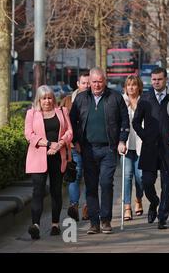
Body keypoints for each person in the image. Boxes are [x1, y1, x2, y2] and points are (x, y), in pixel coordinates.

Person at [70, 67, 129, 234]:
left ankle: (105, 220)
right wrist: (75, 141)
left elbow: (125, 120)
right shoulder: (81, 98)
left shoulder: (115, 97)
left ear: (105, 80)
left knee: (106, 183)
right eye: (93, 82)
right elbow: (71, 121)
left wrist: (122, 141)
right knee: (91, 186)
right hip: (87, 149)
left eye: (99, 81)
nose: (96, 85)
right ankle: (94, 223)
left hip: (109, 149)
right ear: (89, 81)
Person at [24, 85, 73, 239]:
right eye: (44, 98)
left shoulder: (62, 112)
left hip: (58, 157)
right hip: (38, 158)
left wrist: (59, 144)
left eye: (50, 97)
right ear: (39, 99)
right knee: (37, 192)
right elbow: (29, 135)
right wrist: (48, 144)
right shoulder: (31, 114)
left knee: (56, 191)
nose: (47, 101)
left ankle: (55, 224)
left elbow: (69, 132)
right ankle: (36, 225)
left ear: (54, 98)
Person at [133, 68, 169, 229]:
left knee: (167, 183)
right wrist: (145, 136)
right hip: (149, 148)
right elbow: (136, 122)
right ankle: (154, 202)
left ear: (166, 80)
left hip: (167, 147)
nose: (156, 82)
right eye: (153, 79)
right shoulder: (145, 98)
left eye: (159, 79)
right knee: (147, 182)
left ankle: (162, 217)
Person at [60, 73, 90, 222]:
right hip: (73, 146)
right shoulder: (67, 101)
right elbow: (62, 124)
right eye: (84, 83)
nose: (87, 85)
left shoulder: (95, 99)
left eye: (89, 83)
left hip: (91, 146)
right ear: (78, 83)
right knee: (75, 176)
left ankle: (87, 207)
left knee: (91, 177)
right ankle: (73, 206)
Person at [122, 75, 144, 221]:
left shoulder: (144, 102)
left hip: (141, 145)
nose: (131, 87)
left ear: (138, 87)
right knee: (127, 175)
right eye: (128, 85)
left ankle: (138, 199)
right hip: (126, 144)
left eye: (134, 85)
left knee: (140, 177)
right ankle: (127, 206)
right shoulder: (121, 101)